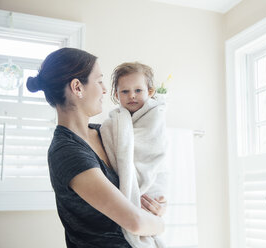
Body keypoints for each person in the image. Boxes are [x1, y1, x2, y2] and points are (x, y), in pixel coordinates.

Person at [26, 48, 165, 248]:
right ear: (77, 87)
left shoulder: (106, 134)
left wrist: (155, 207)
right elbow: (135, 222)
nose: (105, 90)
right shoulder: (66, 152)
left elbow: (136, 184)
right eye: (99, 81)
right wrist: (160, 224)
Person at [100, 62, 168, 248]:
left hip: (151, 185)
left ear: (151, 92)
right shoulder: (114, 122)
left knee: (150, 216)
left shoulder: (155, 115)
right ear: (116, 95)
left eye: (138, 90)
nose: (132, 96)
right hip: (124, 195)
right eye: (125, 91)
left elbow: (152, 149)